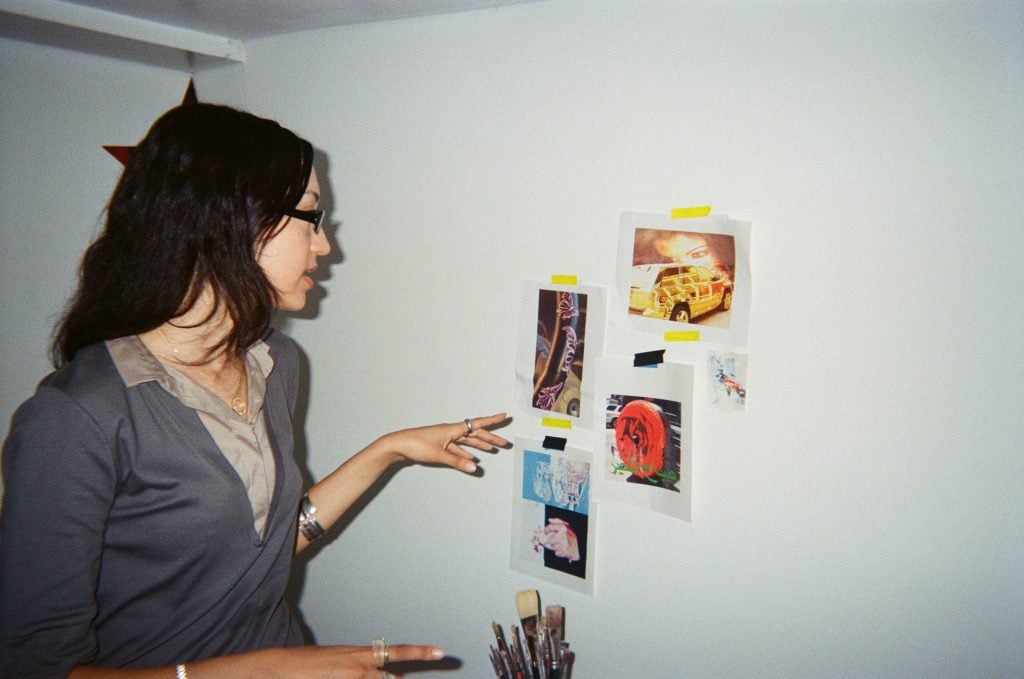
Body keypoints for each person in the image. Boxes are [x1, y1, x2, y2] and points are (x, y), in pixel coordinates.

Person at [0, 103, 510, 678]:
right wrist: (262, 670)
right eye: (311, 217)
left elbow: (263, 547)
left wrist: (388, 451)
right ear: (230, 220)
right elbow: (33, 666)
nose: (324, 247)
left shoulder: (277, 362)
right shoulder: (79, 414)